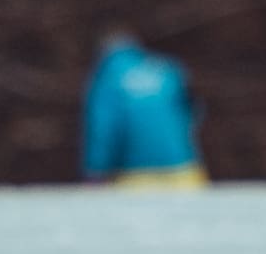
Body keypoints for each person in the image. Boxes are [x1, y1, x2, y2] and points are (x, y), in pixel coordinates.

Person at [82, 32, 206, 188]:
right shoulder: (167, 70)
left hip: (135, 174)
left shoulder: (108, 77)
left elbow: (102, 128)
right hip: (184, 168)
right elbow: (192, 111)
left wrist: (96, 170)